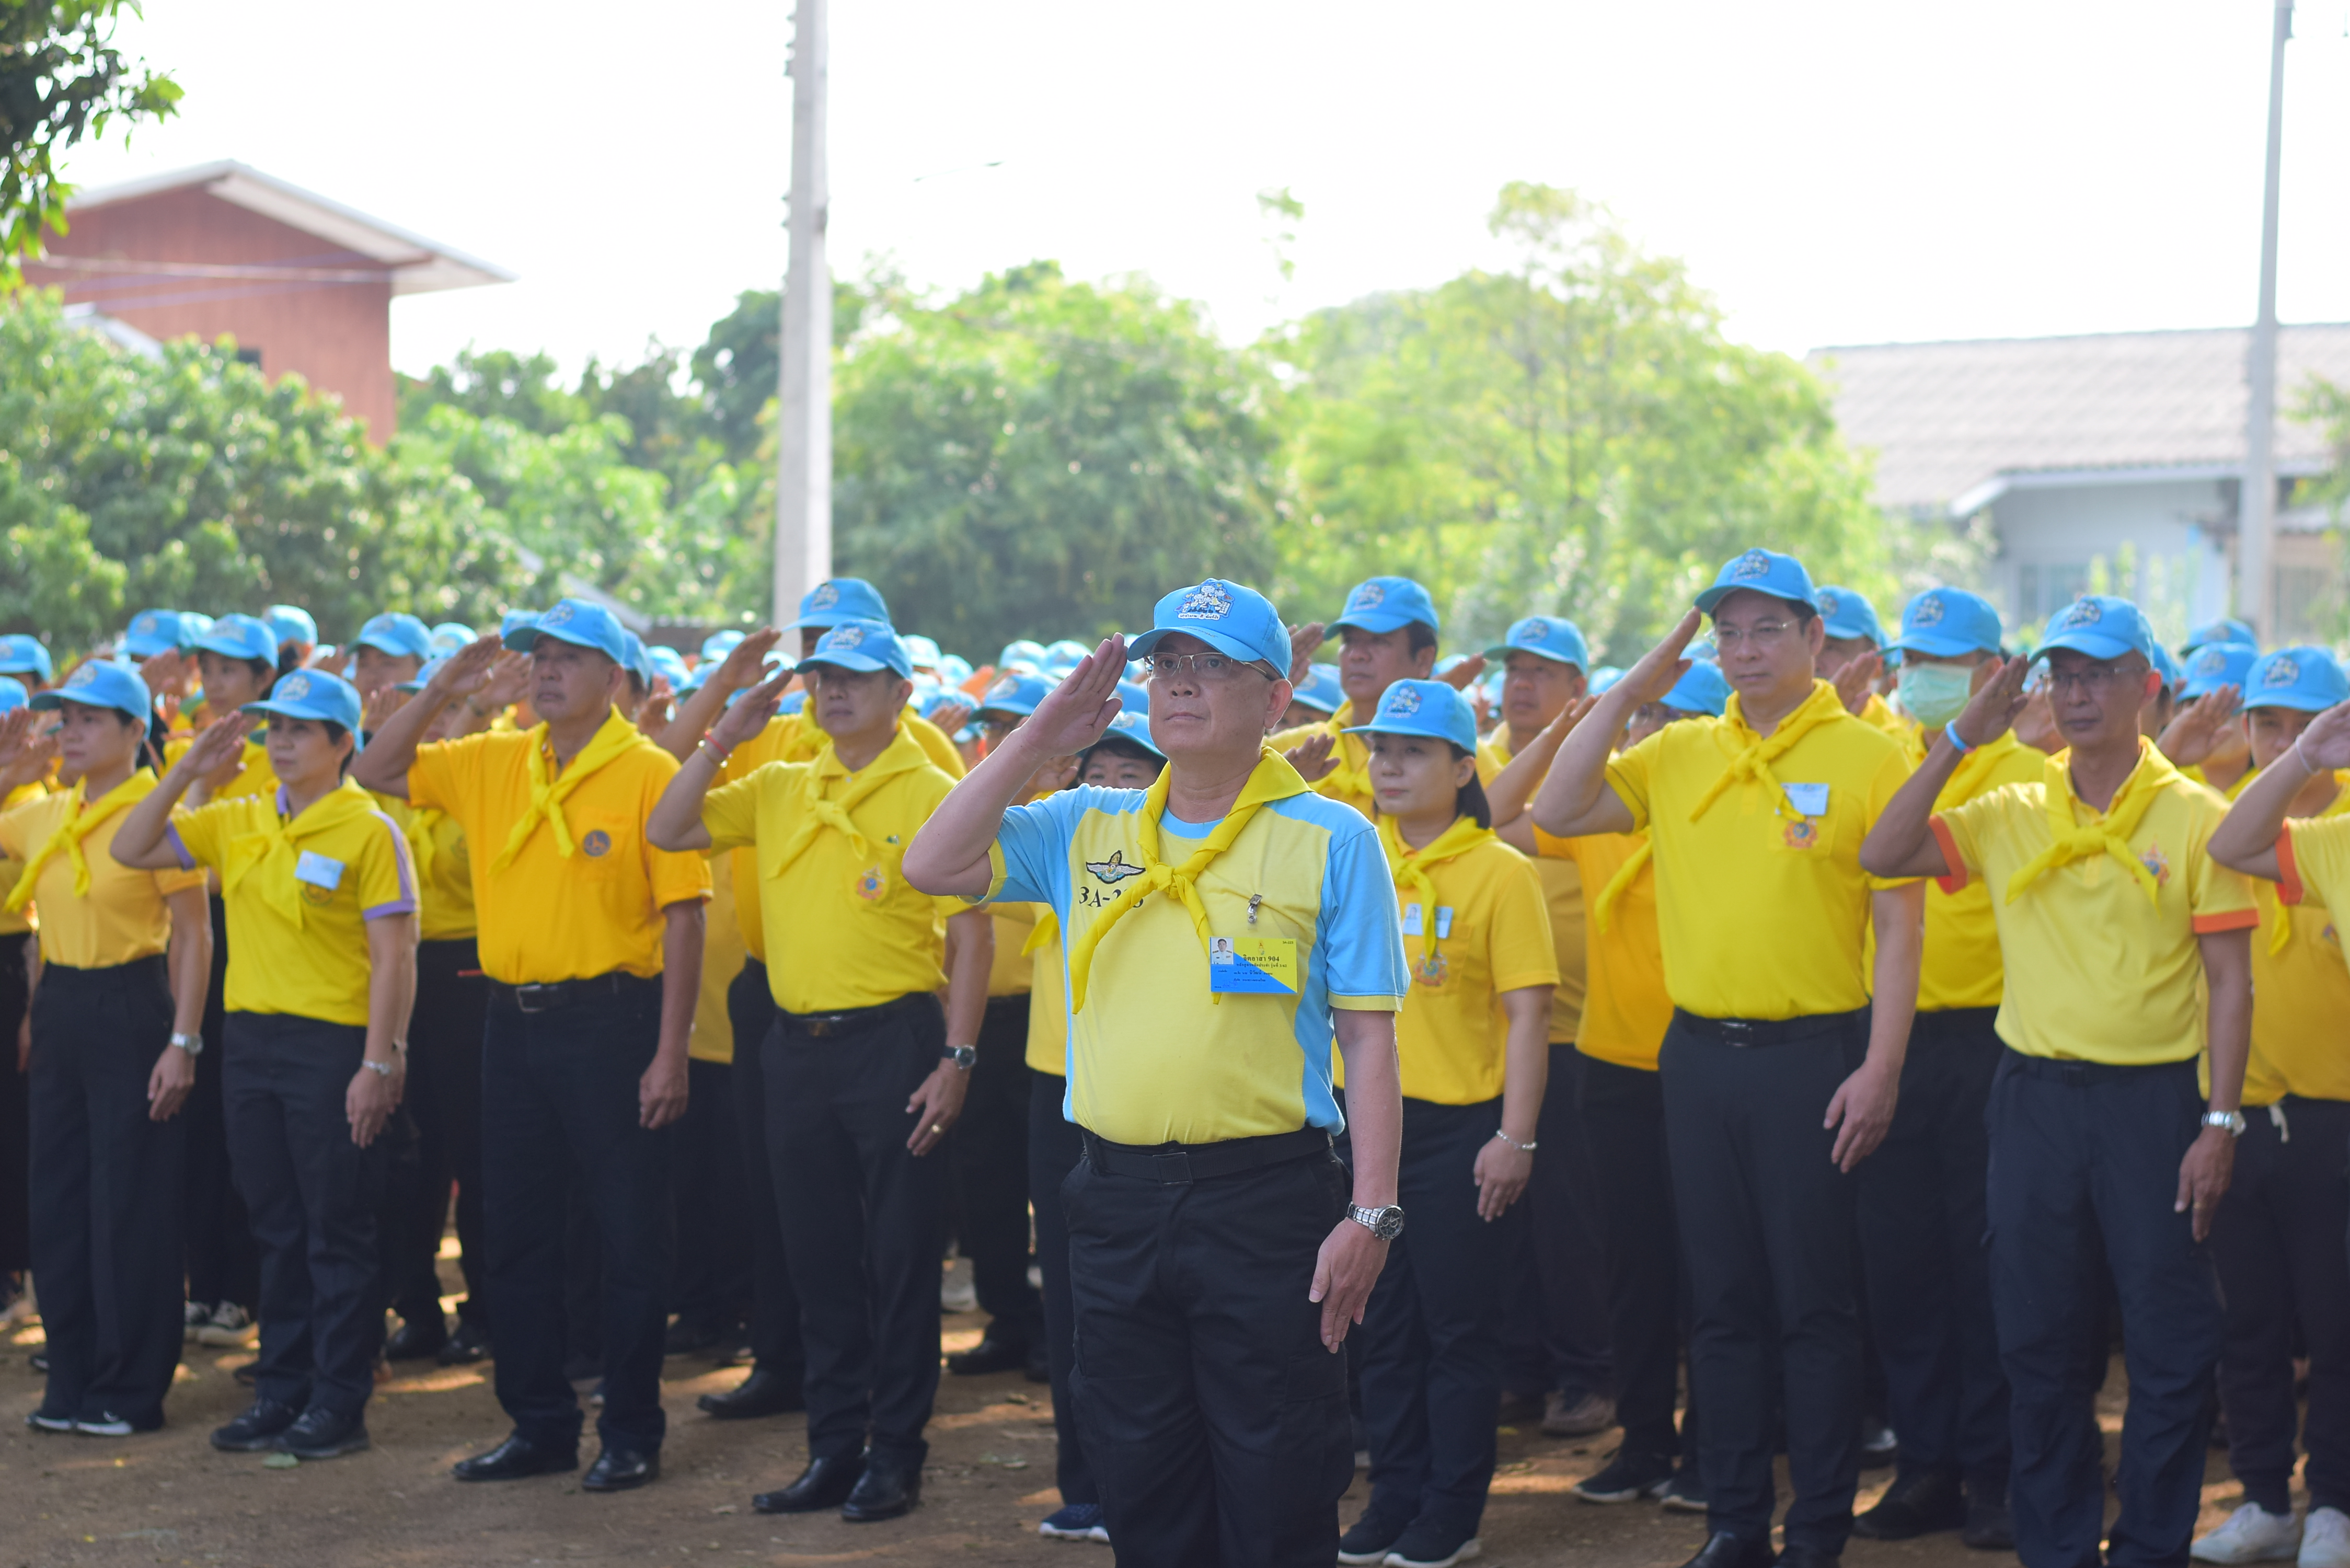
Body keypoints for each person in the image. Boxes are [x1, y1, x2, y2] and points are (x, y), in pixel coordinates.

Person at [904, 578, 1410, 1568]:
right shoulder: (1086, 824)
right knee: (1142, 1478)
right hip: (1114, 1201)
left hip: (1266, 1203)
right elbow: (933, 861)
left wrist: (1371, 1214)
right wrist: (1037, 743)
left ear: (1273, 699)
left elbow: (1371, 1043)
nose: (1180, 685)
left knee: (1276, 1480)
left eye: (1211, 667)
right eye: (1166, 665)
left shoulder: (1331, 839)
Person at [1530, 548, 1923, 1568]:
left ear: (1811, 638)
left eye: (1766, 630)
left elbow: (1900, 927)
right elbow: (1556, 809)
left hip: (1813, 1057)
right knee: (1722, 1304)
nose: (1743, 651)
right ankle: (1736, 1523)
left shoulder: (1869, 755)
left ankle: (1818, 1531)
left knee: (1815, 1307)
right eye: (1727, 632)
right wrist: (1632, 688)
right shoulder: (1680, 752)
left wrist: (1880, 1067)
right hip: (1696, 1061)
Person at [1860, 593, 2256, 1568]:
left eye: (2098, 674)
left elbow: (2230, 980)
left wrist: (2219, 1123)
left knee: (2166, 1344)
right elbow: (1882, 851)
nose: (2076, 695)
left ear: (2147, 686)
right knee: (2036, 1340)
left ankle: (2155, 1543)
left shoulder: (2198, 817)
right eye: (2062, 675)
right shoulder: (2010, 807)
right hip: (2032, 1101)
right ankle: (2057, 1546)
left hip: (2153, 1106)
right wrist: (1960, 736)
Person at [352, 599, 709, 1493]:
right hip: (510, 1022)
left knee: (629, 1235)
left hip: (617, 1019)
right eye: (537, 657)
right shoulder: (494, 759)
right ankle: (540, 1423)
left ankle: (630, 1429)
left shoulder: (648, 770)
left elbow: (685, 918)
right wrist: (443, 687)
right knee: (514, 1231)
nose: (546, 671)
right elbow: (375, 767)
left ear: (615, 679)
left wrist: (671, 1052)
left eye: (569, 658)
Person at [648, 618, 991, 1524]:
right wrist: (725, 726)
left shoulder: (931, 786)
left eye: (856, 677)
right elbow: (668, 823)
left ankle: (898, 1455)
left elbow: (970, 930)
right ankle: (835, 1450)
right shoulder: (778, 783)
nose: (833, 691)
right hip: (796, 1049)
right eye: (821, 677)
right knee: (818, 1257)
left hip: (896, 1042)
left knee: (901, 1255)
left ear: (900, 694)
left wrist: (958, 1058)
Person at [113, 668, 418, 1459]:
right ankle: (283, 1392)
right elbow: (130, 843)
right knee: (276, 1228)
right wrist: (181, 770)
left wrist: (379, 1063)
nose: (280, 744)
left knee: (335, 1228)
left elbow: (395, 958)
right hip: (251, 1045)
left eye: (300, 731)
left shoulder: (370, 830)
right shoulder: (239, 817)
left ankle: (339, 1402)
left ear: (344, 744)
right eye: (273, 729)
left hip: (331, 1048)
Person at [1487, 660, 1731, 1515]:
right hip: (1613, 1065)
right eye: (1643, 717)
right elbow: (1493, 814)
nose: (1647, 732)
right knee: (1632, 1266)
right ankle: (1644, 1441)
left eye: (1673, 717)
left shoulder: (1719, 819)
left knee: (1714, 1272)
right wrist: (1570, 727)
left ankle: (1714, 1447)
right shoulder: (1599, 814)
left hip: (1709, 1067)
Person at [1333, 679, 1554, 1568]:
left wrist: (1516, 1138)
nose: (1389, 765)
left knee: (1458, 1330)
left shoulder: (1502, 871)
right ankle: (1394, 1495)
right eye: (1380, 749)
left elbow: (1528, 1016)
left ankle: (1451, 1511)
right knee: (1380, 1325)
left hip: (1459, 1131)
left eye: (1414, 751)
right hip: (1360, 1127)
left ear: (1465, 768)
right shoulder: (1350, 854)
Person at [1845, 588, 2037, 1549]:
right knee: (1903, 1264)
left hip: (1991, 1044)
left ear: (1993, 673)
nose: (1920, 676)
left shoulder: (2026, 774)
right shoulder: (1887, 761)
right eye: (1910, 658)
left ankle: (1997, 1470)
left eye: (1945, 661)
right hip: (1889, 1047)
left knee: (1986, 1267)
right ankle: (1928, 1469)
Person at [0, 664, 210, 1435]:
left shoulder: (158, 817)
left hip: (133, 1004)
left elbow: (193, 933)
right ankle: (73, 1375)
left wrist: (183, 1041)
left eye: (92, 721)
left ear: (135, 732)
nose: (71, 734)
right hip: (60, 1008)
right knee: (57, 1196)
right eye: (66, 720)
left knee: (130, 1201)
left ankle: (130, 1387)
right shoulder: (44, 812)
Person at [2198, 651, 2350, 1568]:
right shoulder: (2229, 828)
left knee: (2336, 1326)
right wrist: (2293, 765)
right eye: (2266, 725)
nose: (2280, 741)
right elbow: (2228, 840)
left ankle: (2332, 1500)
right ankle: (2263, 1499)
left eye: (2302, 726)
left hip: (2334, 1121)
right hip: (2239, 1116)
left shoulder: (2340, 835)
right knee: (2245, 1324)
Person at [1025, 710, 1165, 1546]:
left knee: (1148, 1304)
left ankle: (1148, 1485)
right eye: (1098, 772)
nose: (1110, 787)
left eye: (1131, 774)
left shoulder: (1184, 853)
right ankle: (1086, 1480)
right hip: (1061, 1093)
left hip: (1145, 1098)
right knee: (1073, 1302)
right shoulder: (1063, 848)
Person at [1474, 614, 1613, 1438]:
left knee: (1571, 1218)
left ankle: (1587, 1373)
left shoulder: (1588, 775)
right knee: (1502, 1216)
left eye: (1544, 671)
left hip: (1574, 1030)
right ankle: (1520, 1368)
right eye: (1514, 668)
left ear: (1578, 690)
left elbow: (1494, 824)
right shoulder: (1472, 759)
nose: (1523, 684)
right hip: (1483, 1034)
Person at [946, 670, 1073, 1381]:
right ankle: (1006, 1318)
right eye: (991, 729)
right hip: (981, 1023)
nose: (998, 742)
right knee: (985, 1178)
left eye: (1015, 728)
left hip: (1045, 1022)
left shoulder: (1075, 816)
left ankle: (1058, 1329)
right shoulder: (977, 808)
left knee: (1052, 1189)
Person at [375, 661, 494, 1367]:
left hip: (471, 973)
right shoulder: (403, 779)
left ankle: (487, 1309)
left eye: (468, 707)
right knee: (410, 1154)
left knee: (475, 1152)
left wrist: (471, 714)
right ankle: (415, 1307)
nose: (453, 717)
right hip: (403, 972)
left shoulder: (487, 773)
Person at [175, 615, 287, 1356]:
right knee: (202, 1129)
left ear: (263, 682)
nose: (214, 682)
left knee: (249, 1135)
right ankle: (208, 1286)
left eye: (230, 670)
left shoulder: (281, 759)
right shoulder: (199, 756)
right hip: (195, 949)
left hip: (253, 944)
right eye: (207, 668)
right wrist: (199, 781)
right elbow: (173, 861)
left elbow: (227, 871)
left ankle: (243, 1292)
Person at [1270, 576, 1444, 818]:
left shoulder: (1453, 755)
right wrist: (1263, 689)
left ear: (1424, 659)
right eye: (1350, 641)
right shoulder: (1296, 747)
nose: (1357, 655)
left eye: (1379, 641)